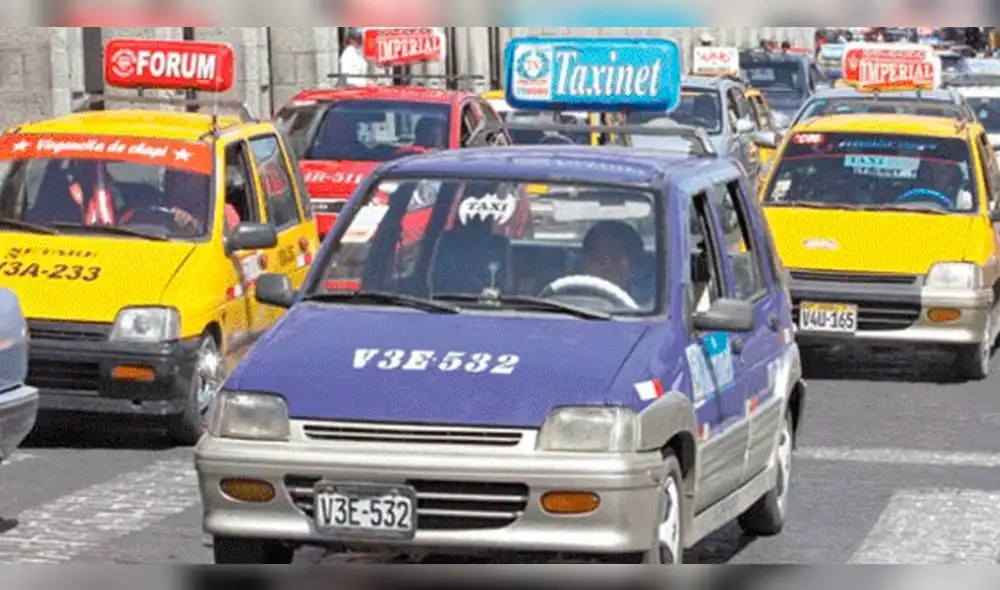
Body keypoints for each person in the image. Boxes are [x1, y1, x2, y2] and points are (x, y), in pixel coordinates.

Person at [580, 220, 651, 304]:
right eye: (598, 259)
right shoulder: (568, 298)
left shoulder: (648, 305)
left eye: (615, 258)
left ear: (633, 265)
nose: (606, 266)